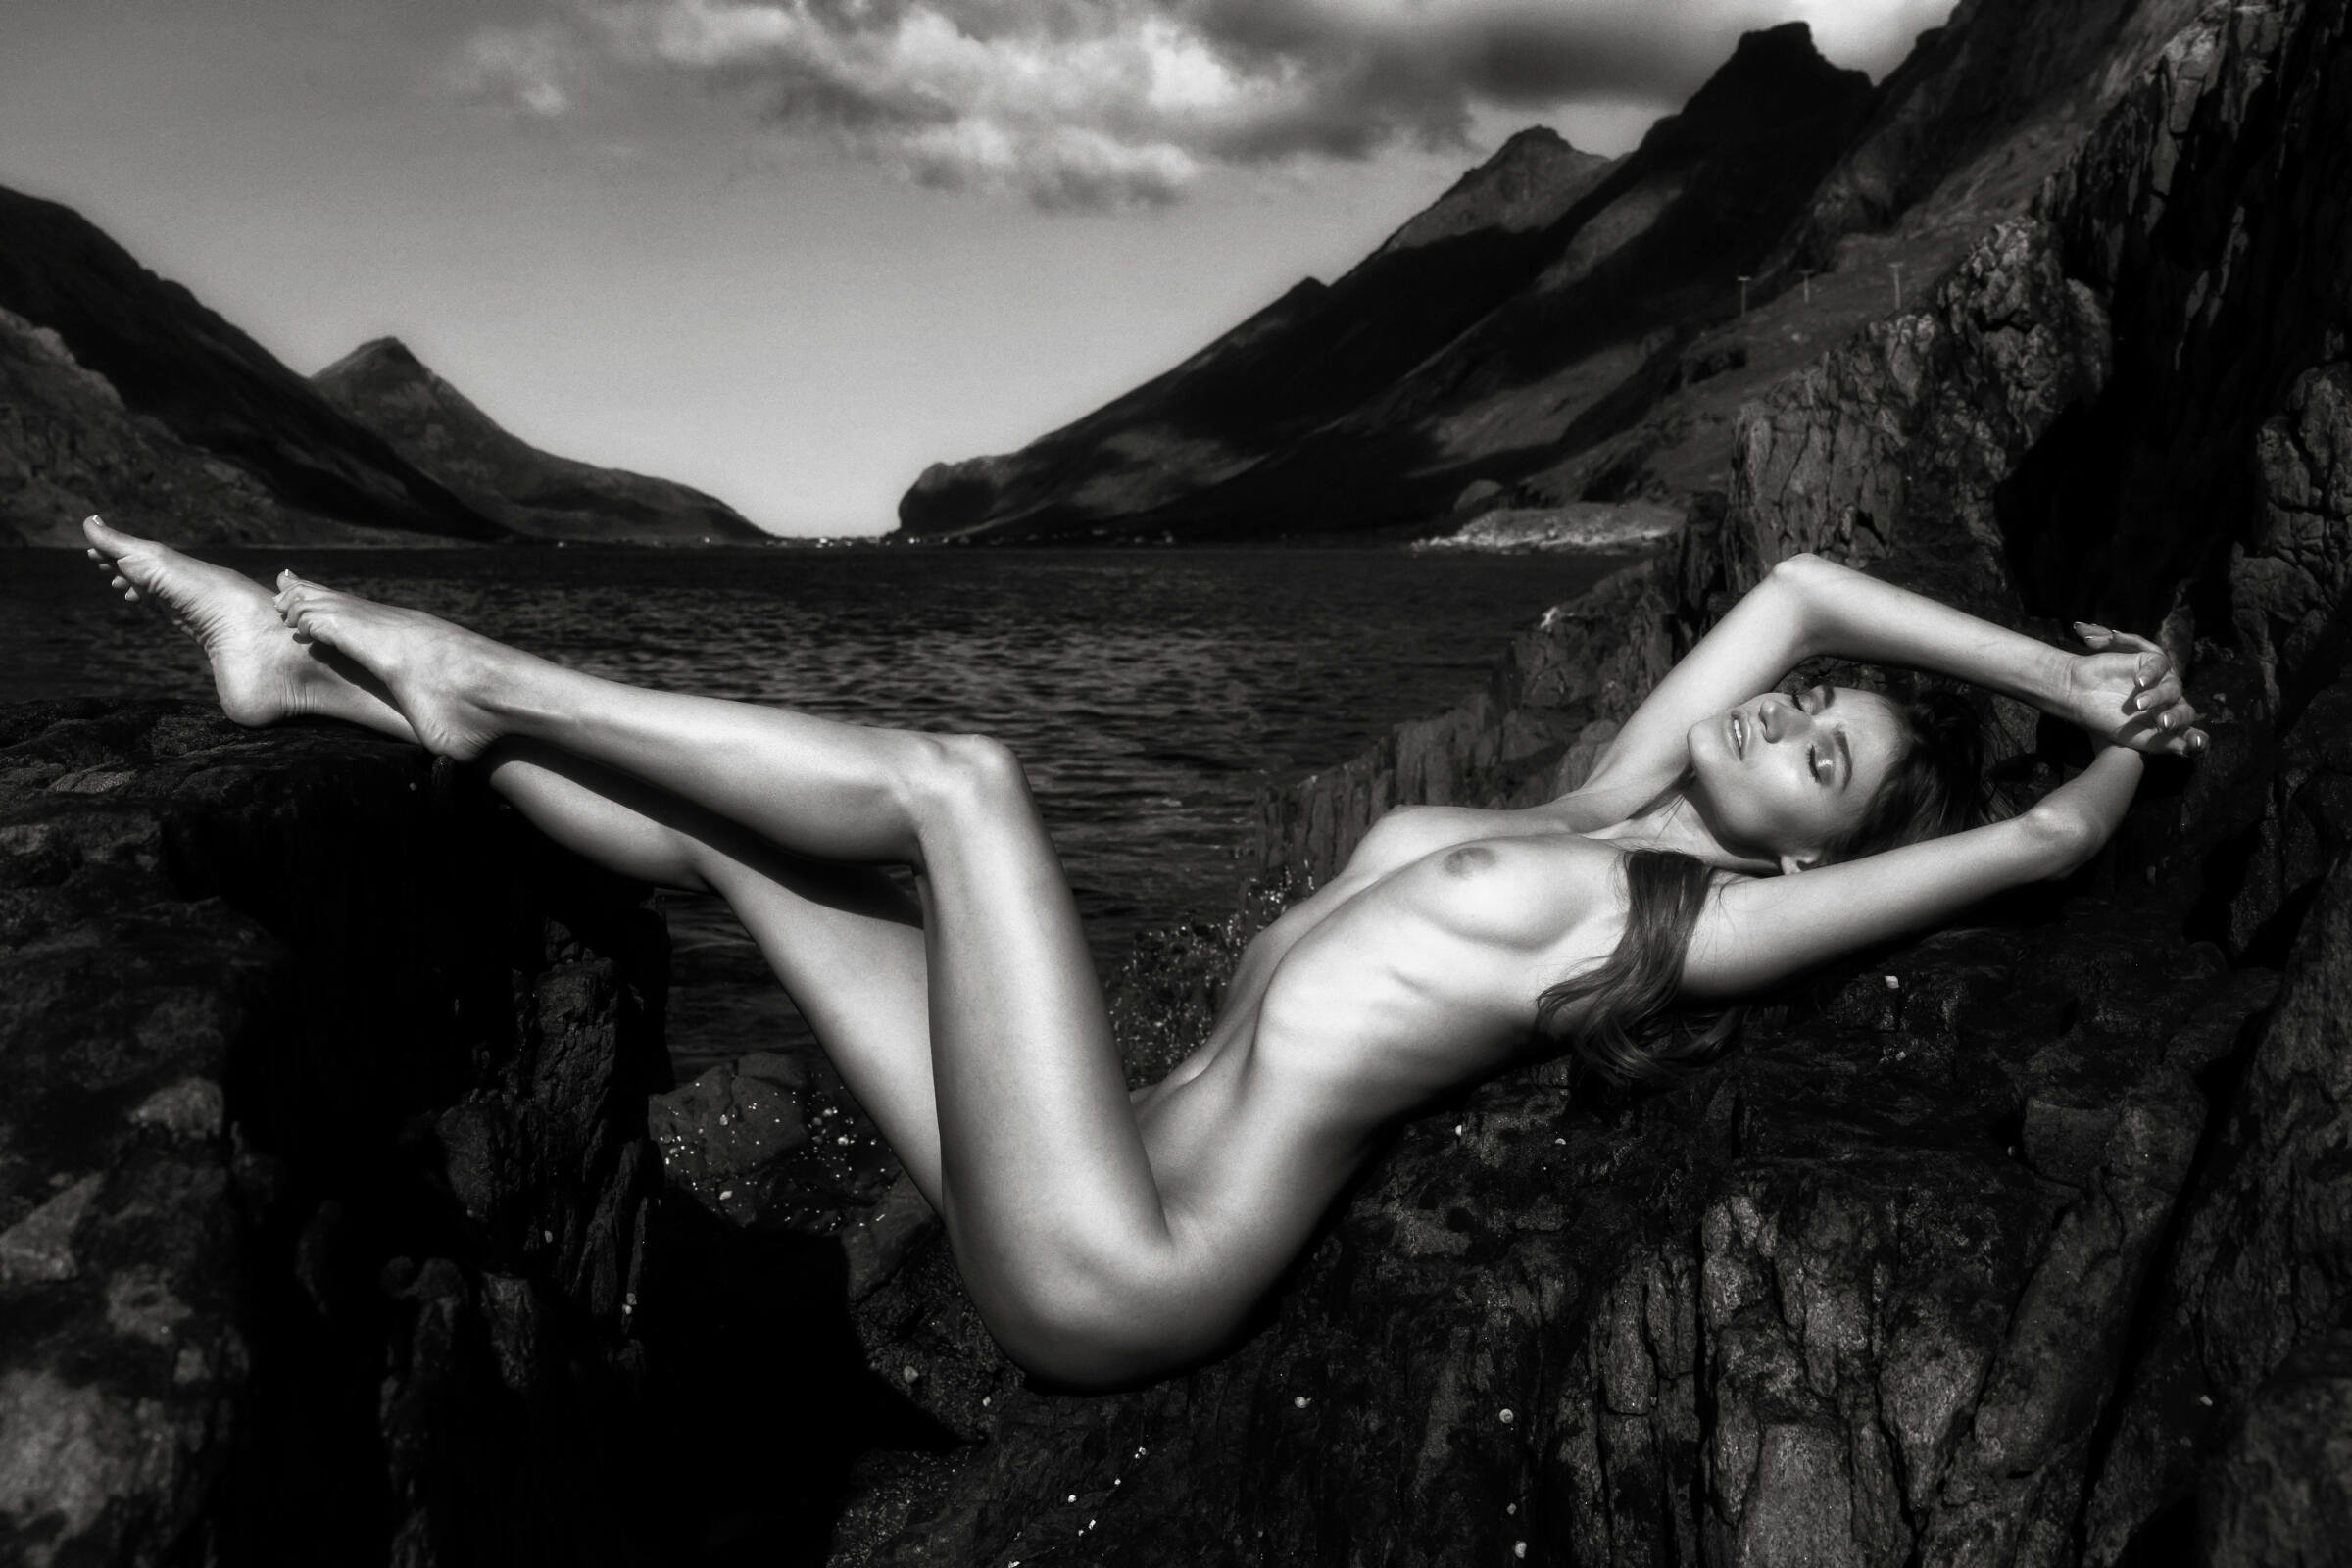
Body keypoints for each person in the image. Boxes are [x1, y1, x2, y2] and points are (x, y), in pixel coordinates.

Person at [78, 515, 2205, 1388]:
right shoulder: (1597, 802)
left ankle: (473, 676)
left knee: (963, 787)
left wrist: (2123, 758)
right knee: (750, 848)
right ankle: (322, 691)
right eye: (1803, 708)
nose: (1791, 717)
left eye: (1830, 761)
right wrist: (2061, 668)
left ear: (1827, 853)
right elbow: (1808, 582)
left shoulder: (1705, 922)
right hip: (1079, 1138)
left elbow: (2033, 837)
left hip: (1119, 1263)